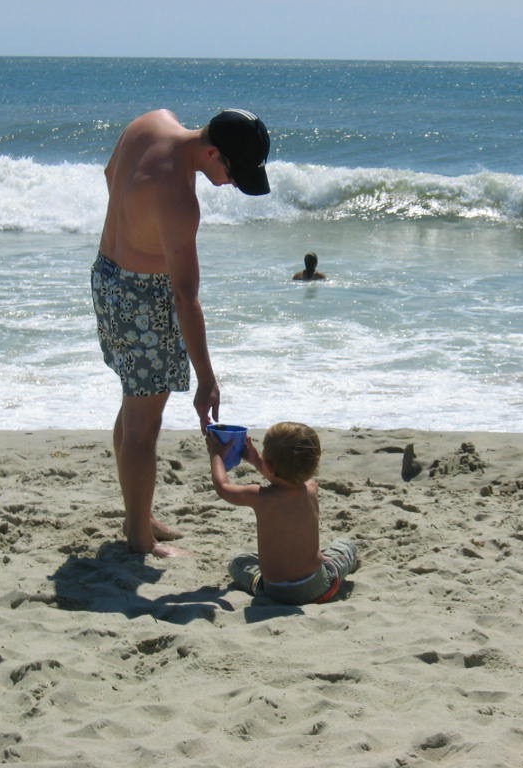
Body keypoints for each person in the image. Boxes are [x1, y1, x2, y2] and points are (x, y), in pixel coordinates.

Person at [91, 108, 270, 557]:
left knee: (135, 406)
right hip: (143, 299)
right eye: (232, 171)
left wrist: (136, 226)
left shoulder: (150, 122)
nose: (231, 183)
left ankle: (138, 513)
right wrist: (207, 378)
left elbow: (111, 174)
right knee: (143, 426)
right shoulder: (178, 200)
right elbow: (186, 296)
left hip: (107, 275)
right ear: (212, 152)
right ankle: (139, 537)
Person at [207, 422, 359, 604]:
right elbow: (286, 479)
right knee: (346, 546)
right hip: (318, 587)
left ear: (269, 465)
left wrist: (216, 455)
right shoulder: (311, 488)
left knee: (238, 562)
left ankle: (257, 582)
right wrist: (258, 461)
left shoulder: (260, 497)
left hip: (274, 591)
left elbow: (223, 487)